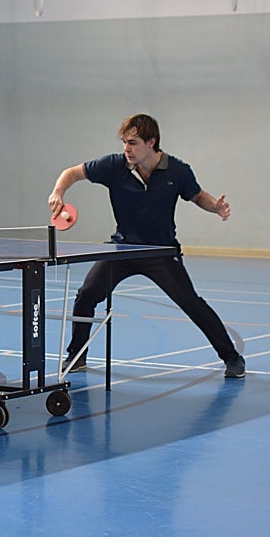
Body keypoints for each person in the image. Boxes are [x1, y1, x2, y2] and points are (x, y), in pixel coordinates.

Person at [47, 113, 246, 378]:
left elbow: (197, 195)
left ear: (152, 142)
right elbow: (71, 173)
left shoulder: (177, 171)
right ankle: (77, 355)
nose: (126, 149)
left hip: (160, 252)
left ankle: (232, 358)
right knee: (87, 295)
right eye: (124, 142)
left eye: (133, 142)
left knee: (192, 303)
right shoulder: (114, 166)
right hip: (122, 249)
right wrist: (58, 192)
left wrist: (216, 207)